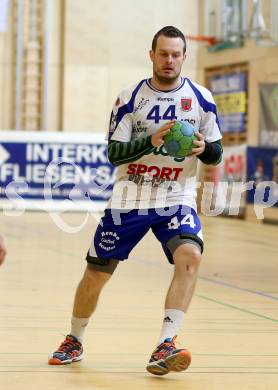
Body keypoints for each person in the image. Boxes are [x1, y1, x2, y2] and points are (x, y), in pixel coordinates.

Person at [48, 26, 222, 375]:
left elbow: (216, 154)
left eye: (176, 54)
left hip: (176, 196)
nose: (170, 60)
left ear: (184, 57)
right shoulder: (130, 98)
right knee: (96, 275)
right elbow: (113, 153)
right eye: (164, 54)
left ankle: (166, 344)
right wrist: (151, 141)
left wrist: (205, 150)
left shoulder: (201, 99)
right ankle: (74, 338)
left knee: (190, 255)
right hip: (131, 198)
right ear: (152, 55)